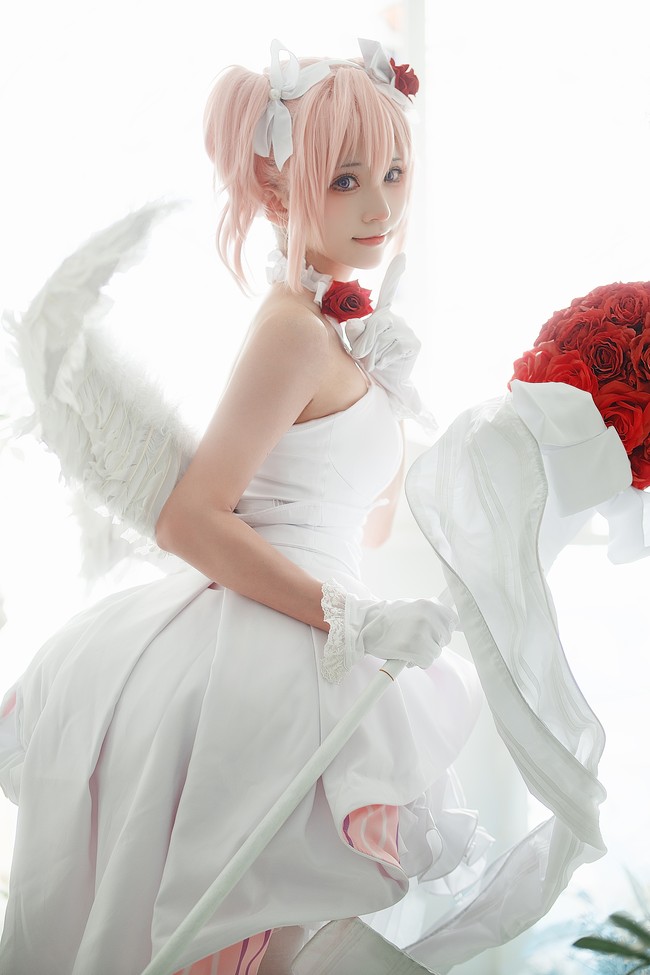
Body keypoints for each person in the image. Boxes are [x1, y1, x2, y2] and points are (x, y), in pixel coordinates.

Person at [0, 39, 484, 975]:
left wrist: (394, 419)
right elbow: (190, 518)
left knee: (275, 925)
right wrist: (351, 617)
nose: (380, 207)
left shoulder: (335, 333)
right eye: (345, 180)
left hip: (307, 623)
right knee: (241, 915)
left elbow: (361, 522)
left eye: (394, 173)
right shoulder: (295, 332)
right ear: (277, 190)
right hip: (275, 640)